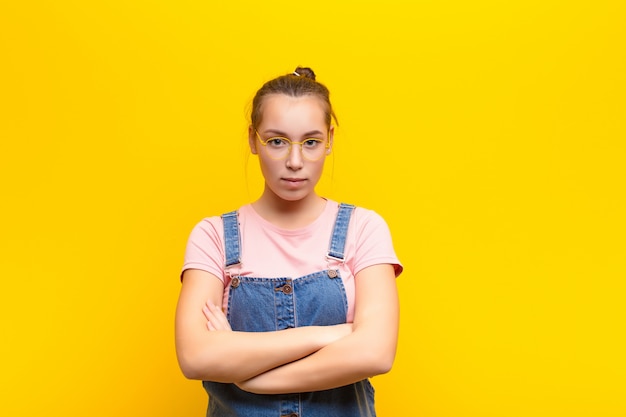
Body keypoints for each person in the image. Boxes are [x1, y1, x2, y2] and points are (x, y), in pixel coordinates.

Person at [175, 66, 403, 417]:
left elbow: (376, 353)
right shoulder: (214, 236)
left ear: (329, 140)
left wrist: (251, 377)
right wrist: (331, 335)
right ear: (253, 139)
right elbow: (195, 357)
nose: (295, 162)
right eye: (277, 141)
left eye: (310, 142)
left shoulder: (364, 228)